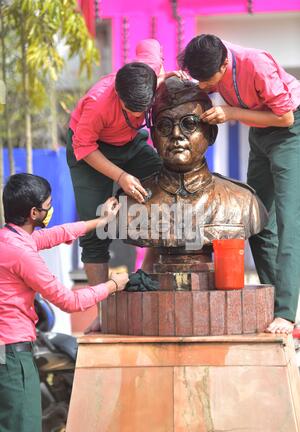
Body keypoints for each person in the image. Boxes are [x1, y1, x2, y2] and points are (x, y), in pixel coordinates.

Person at [179, 34, 300, 335]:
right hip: (260, 134)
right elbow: (194, 78)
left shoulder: (256, 65)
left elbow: (283, 117)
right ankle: (272, 302)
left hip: (290, 130)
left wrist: (231, 114)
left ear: (224, 64)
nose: (205, 86)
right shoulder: (209, 55)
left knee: (288, 220)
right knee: (257, 217)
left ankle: (286, 313)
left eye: (208, 80)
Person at [0, 173, 128, 432]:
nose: (51, 208)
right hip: (11, 357)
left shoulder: (8, 239)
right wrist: (112, 285)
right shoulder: (23, 255)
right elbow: (68, 301)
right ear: (34, 212)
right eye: (48, 205)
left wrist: (99, 222)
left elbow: (51, 235)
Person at [67, 38, 187, 333]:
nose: (137, 116)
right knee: (94, 229)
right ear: (117, 95)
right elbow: (83, 146)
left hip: (131, 146)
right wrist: (120, 176)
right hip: (91, 153)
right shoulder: (98, 102)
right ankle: (103, 313)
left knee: (173, 183)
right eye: (131, 111)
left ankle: (143, 275)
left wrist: (166, 75)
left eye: (141, 110)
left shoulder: (149, 73)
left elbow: (149, 43)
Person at [123, 77, 268, 248]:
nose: (176, 134)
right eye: (165, 126)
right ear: (154, 137)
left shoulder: (244, 202)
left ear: (211, 134)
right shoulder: (129, 203)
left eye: (189, 123)